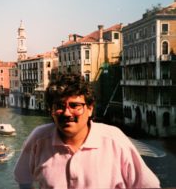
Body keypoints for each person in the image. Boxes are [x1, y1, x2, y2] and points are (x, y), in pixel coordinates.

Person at [14, 73, 160, 189]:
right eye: (59, 106)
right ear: (51, 110)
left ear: (90, 109)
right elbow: (24, 180)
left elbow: (147, 185)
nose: (66, 113)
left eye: (75, 105)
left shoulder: (114, 140)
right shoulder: (38, 139)